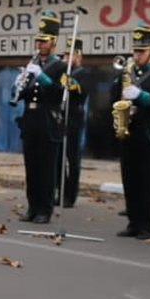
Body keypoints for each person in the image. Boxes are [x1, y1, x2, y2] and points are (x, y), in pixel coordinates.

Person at [111, 23, 150, 240]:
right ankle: (133, 222)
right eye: (135, 51)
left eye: (142, 51)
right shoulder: (125, 73)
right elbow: (113, 100)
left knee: (147, 181)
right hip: (127, 132)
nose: (137, 55)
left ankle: (146, 226)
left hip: (147, 133)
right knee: (130, 179)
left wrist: (143, 97)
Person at [14, 11, 66, 224]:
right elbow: (24, 96)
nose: (39, 44)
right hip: (30, 120)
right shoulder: (31, 64)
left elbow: (59, 93)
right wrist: (19, 84)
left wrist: (42, 77)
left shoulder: (61, 66)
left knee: (46, 168)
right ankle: (32, 207)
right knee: (31, 166)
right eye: (38, 40)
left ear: (53, 42)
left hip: (48, 121)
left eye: (44, 41)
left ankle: (45, 209)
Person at [56, 37, 91, 208]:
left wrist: (68, 80)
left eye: (71, 55)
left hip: (74, 119)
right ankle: (60, 192)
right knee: (58, 159)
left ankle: (71, 195)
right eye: (65, 54)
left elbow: (80, 89)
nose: (67, 58)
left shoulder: (82, 73)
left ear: (78, 57)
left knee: (73, 159)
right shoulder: (61, 71)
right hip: (59, 118)